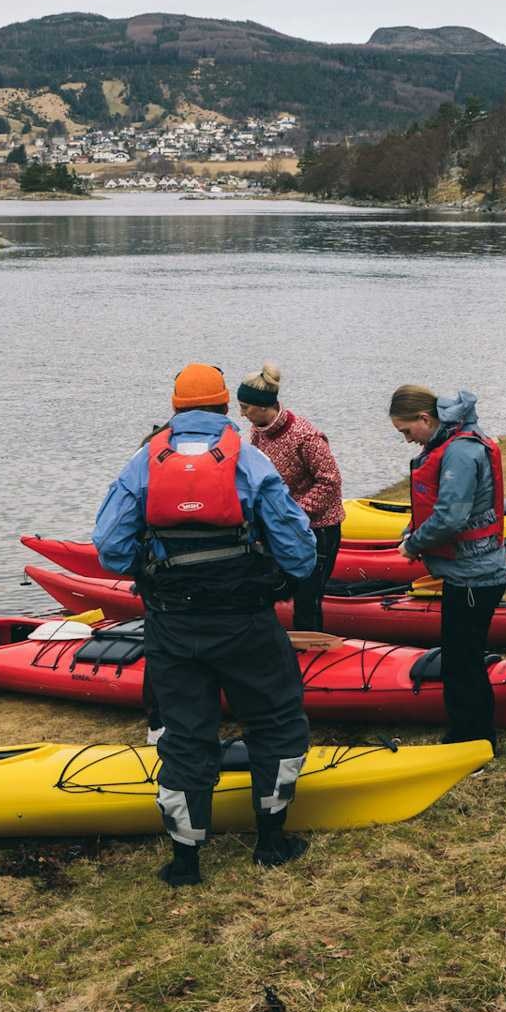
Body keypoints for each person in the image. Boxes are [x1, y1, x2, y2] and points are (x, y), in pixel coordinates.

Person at [94, 363, 318, 886]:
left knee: (184, 736)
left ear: (174, 409)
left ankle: (185, 862)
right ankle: (271, 842)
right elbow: (300, 555)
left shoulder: (142, 464)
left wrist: (156, 573)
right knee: (275, 722)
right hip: (246, 623)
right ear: (224, 408)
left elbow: (109, 549)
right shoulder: (253, 461)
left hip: (174, 627)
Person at [389, 385, 506, 749]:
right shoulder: (455, 443)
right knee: (461, 658)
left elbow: (452, 517)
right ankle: (471, 734)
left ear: (425, 419)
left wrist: (413, 545)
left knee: (462, 662)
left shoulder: (459, 452)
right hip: (469, 573)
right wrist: (413, 530)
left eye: (407, 432)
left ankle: (473, 739)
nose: (408, 440)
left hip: (475, 576)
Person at [237, 361, 344, 630]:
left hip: (319, 529)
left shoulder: (304, 436)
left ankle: (311, 655)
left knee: (308, 598)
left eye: (245, 407)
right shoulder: (259, 431)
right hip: (283, 526)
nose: (242, 414)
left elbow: (330, 481)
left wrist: (293, 513)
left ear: (263, 406)